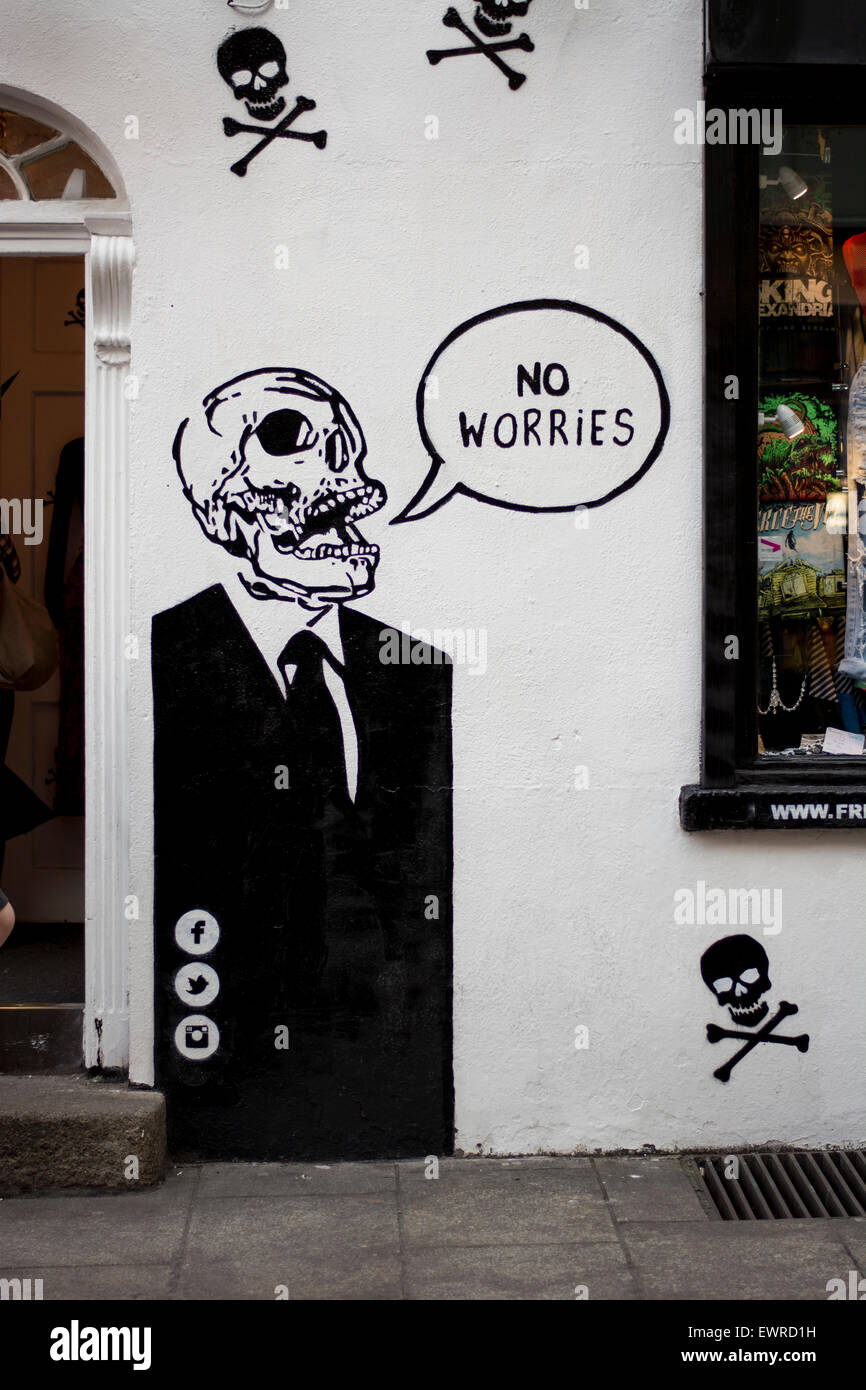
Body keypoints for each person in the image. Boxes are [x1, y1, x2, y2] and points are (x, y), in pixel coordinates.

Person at [152, 369, 453, 1162]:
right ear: (224, 509)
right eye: (295, 451)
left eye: (350, 457)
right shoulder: (177, 651)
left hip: (391, 1068)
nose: (351, 487)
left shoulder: (415, 669)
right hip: (238, 1065)